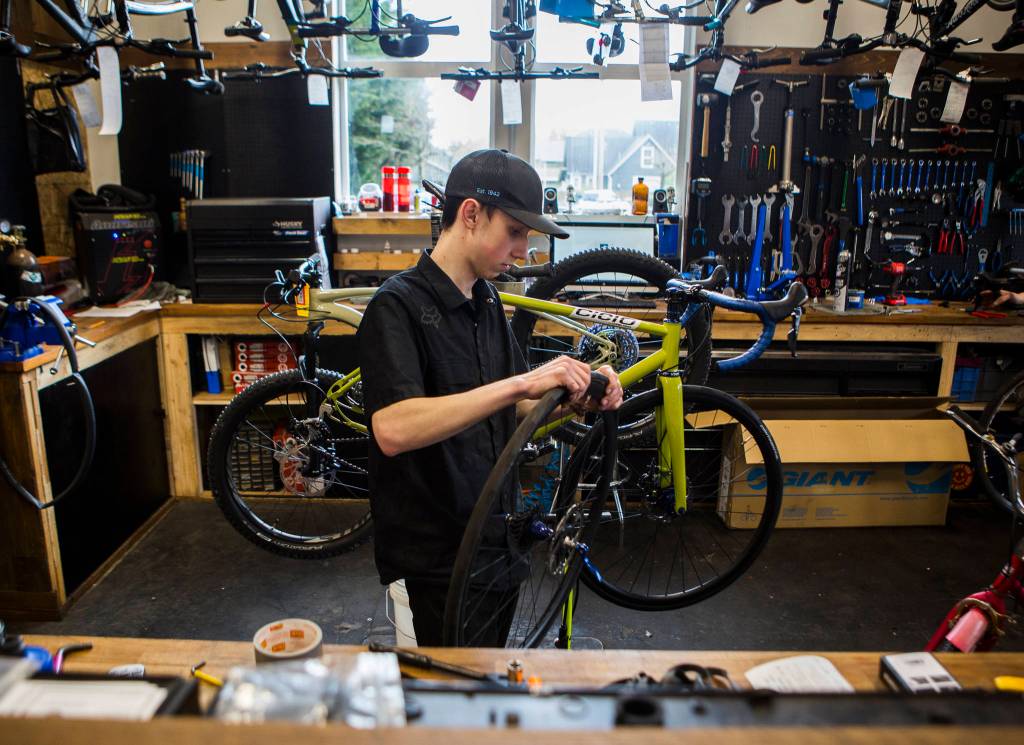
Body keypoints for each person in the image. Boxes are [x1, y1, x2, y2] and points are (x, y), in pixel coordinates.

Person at [357, 149, 622, 647]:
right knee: (456, 694)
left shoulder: (486, 300)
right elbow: (393, 429)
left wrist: (573, 398)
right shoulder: (396, 307)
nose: (523, 251)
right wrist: (523, 382)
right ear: (471, 214)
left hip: (497, 536)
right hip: (442, 550)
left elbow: (515, 407)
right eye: (516, 232)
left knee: (488, 678)